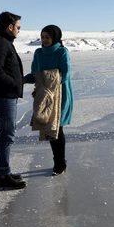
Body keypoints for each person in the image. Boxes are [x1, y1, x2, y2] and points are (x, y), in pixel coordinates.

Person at [0, 11, 27, 190]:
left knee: (6, 134)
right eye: (17, 27)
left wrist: (21, 80)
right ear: (9, 27)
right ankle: (3, 174)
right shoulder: (0, 43)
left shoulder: (2, 41)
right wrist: (15, 83)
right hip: (4, 96)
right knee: (7, 135)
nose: (19, 31)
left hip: (4, 95)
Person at [25, 25, 74, 176]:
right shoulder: (39, 53)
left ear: (55, 37)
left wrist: (50, 88)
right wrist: (23, 79)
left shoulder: (62, 52)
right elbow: (35, 72)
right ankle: (58, 162)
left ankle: (60, 163)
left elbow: (65, 74)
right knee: (49, 127)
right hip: (43, 95)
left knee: (57, 127)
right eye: (42, 37)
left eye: (47, 37)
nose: (44, 40)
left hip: (60, 95)